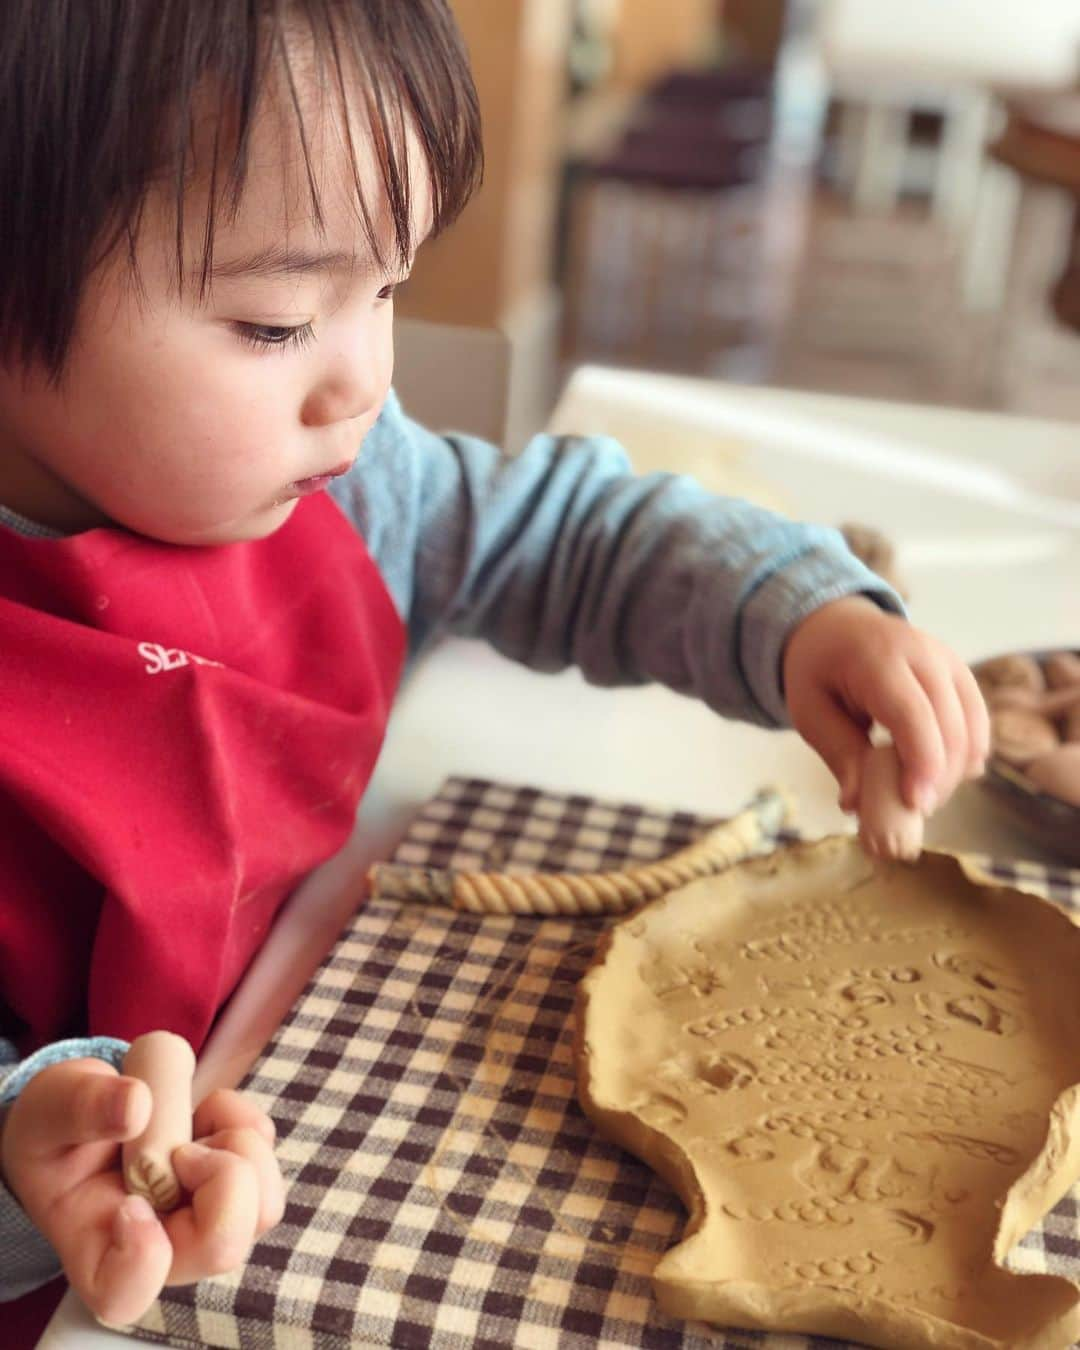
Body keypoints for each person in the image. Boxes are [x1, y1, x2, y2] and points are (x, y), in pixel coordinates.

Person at [0, 0, 989, 1341]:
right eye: (280, 320)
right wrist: (32, 1152)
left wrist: (796, 612)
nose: (364, 379)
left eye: (389, 288)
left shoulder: (358, 482)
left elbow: (567, 533)